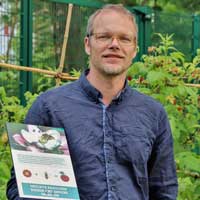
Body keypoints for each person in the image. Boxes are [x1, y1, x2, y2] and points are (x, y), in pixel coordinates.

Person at [7, 4, 178, 200]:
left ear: (134, 50)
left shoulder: (153, 114)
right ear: (87, 44)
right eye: (104, 36)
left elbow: (164, 189)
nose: (114, 44)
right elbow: (21, 187)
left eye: (124, 38)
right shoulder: (50, 108)